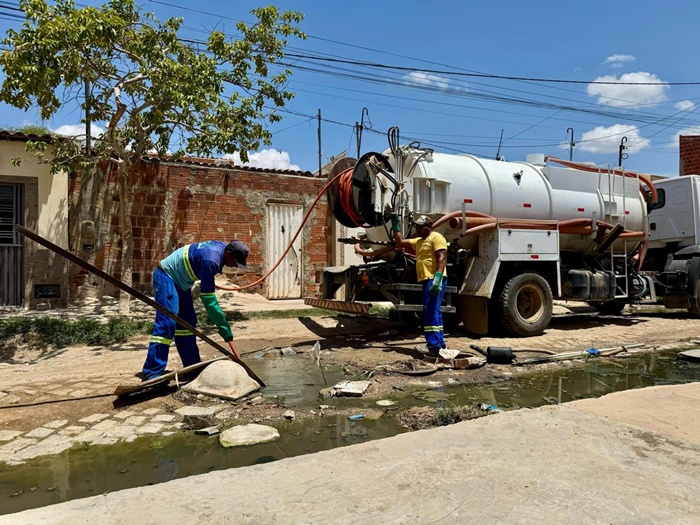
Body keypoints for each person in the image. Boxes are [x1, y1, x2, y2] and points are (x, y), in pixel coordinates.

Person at [141, 239, 250, 380]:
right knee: (167, 324)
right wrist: (223, 325)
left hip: (182, 284)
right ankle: (152, 372)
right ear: (228, 254)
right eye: (236, 262)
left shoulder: (222, 250)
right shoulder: (211, 260)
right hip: (166, 277)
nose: (235, 266)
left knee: (187, 324)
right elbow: (209, 300)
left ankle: (191, 366)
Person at [392, 214, 449, 356]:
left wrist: (437, 279)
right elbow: (400, 242)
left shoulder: (436, 237)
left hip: (434, 279)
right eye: (416, 226)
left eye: (420, 226)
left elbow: (441, 258)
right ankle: (439, 344)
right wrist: (395, 225)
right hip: (426, 279)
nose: (417, 228)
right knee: (435, 311)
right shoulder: (419, 241)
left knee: (430, 311)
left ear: (429, 227)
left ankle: (433, 346)